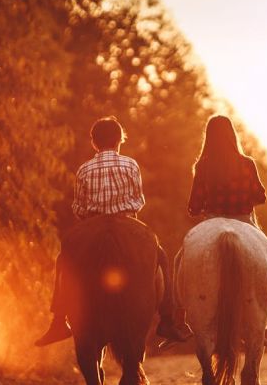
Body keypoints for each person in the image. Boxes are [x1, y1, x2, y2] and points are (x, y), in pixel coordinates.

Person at [35, 116, 193, 346]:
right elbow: (138, 201)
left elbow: (79, 206)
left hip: (92, 221)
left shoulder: (83, 169)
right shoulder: (130, 164)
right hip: (125, 219)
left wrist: (90, 219)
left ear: (94, 143)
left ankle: (59, 321)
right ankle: (168, 320)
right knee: (162, 258)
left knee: (63, 259)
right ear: (120, 140)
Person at [162, 114, 267, 360]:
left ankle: (178, 322)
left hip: (210, 220)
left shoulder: (203, 165)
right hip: (245, 221)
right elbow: (261, 196)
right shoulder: (247, 163)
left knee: (179, 262)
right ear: (232, 136)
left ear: (208, 138)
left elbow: (194, 205)